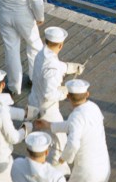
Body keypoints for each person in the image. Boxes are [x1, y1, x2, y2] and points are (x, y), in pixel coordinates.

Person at [39, 79, 110, 182]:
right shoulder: (94, 108)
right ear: (87, 94)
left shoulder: (76, 117)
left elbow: (73, 143)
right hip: (103, 166)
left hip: (87, 171)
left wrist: (63, 159)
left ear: (68, 97)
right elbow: (73, 126)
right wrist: (49, 125)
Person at [27, 26, 85, 158]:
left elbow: (58, 65)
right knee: (60, 141)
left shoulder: (41, 54)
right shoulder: (52, 67)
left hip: (33, 101)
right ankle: (56, 167)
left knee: (40, 138)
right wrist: (65, 91)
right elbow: (49, 94)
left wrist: (73, 67)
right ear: (61, 45)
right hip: (47, 109)